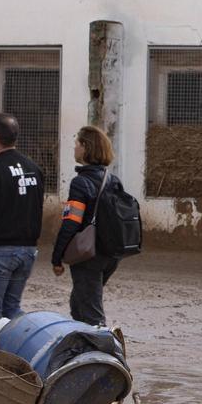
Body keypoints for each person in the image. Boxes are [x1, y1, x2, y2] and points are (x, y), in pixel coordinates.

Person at [0, 113, 44, 318]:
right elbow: (37, 207)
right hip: (28, 250)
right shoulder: (34, 169)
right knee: (12, 308)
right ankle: (21, 337)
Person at [52, 125, 119, 326]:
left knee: (91, 313)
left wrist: (57, 256)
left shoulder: (80, 183)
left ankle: (102, 344)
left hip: (89, 255)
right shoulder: (112, 180)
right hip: (110, 253)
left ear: (85, 147)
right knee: (78, 304)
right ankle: (83, 340)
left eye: (77, 143)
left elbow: (71, 223)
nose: (74, 148)